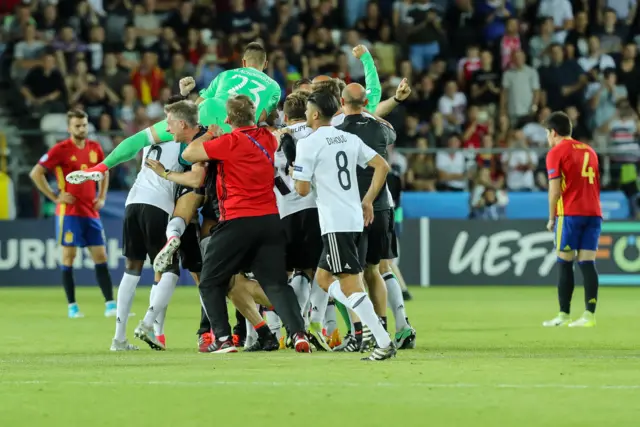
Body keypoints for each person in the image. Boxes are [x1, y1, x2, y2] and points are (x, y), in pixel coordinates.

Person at [148, 99, 282, 352]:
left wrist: (165, 174)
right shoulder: (241, 137)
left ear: (182, 123)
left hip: (228, 219)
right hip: (243, 216)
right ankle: (267, 332)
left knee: (211, 280)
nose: (168, 130)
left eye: (170, 125)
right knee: (234, 284)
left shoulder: (207, 140)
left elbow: (196, 177)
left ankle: (225, 337)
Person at [181, 95, 310, 354]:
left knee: (209, 281)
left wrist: (210, 134)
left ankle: (223, 338)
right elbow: (277, 134)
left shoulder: (228, 141)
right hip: (270, 221)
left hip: (237, 221)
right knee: (275, 283)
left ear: (228, 120)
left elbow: (188, 154)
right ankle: (298, 334)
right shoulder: (266, 137)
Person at [65, 42, 281, 185]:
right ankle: (183, 224)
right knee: (203, 174)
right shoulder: (274, 87)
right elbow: (258, 119)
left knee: (143, 137)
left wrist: (187, 117)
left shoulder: (227, 74)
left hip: (202, 112)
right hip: (229, 126)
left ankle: (101, 167)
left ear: (243, 62)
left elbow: (198, 103)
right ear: (265, 64)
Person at [291, 90, 396, 361]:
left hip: (336, 221)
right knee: (325, 279)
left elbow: (301, 190)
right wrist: (368, 200)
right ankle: (370, 326)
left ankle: (382, 340)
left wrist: (296, 175)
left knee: (350, 285)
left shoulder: (309, 144)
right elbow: (382, 166)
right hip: (353, 217)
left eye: (307, 110)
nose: (305, 115)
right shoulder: (349, 138)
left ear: (314, 114)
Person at [335, 83, 417, 352]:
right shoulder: (383, 128)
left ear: (341, 101)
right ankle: (384, 325)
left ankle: (361, 332)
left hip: (351, 208)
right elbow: (377, 119)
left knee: (350, 274)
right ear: (366, 102)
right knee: (377, 269)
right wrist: (393, 100)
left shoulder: (335, 130)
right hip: (381, 206)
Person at [29, 109, 115, 319]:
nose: (82, 129)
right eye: (77, 125)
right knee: (69, 256)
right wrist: (55, 197)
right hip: (69, 212)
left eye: (84, 125)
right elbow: (36, 173)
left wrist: (102, 196)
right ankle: (72, 306)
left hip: (90, 210)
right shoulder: (60, 149)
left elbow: (104, 171)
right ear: (69, 128)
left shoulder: (95, 147)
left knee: (101, 255)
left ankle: (110, 305)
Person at [543, 111, 602, 328]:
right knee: (587, 263)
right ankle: (589, 315)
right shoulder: (590, 150)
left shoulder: (556, 152)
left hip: (570, 214)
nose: (547, 139)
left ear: (554, 132)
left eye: (547, 133)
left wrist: (551, 218)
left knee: (564, 262)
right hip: (594, 213)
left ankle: (563, 314)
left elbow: (554, 191)